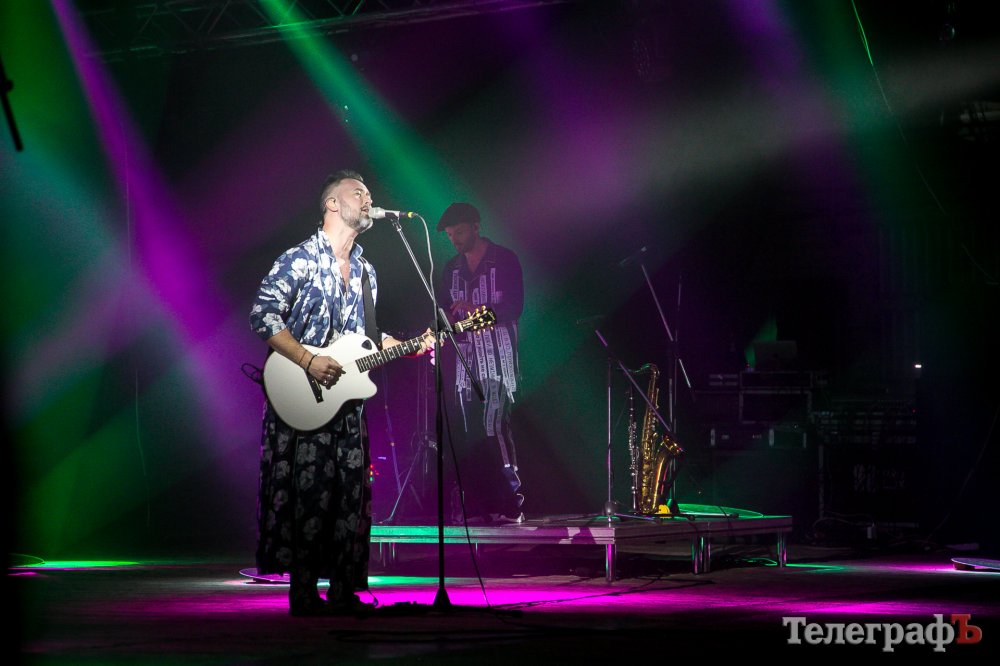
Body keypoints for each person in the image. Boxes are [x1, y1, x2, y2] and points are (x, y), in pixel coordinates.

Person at [249, 170, 433, 616]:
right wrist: (308, 360)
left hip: (346, 404)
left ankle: (344, 589)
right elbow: (263, 315)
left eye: (369, 192)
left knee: (351, 495)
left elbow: (365, 337)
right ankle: (303, 591)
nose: (368, 198)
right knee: (308, 493)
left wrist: (404, 345)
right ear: (332, 203)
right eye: (358, 192)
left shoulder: (368, 271)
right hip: (300, 395)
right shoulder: (299, 260)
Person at [436, 202, 524, 524]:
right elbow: (444, 311)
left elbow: (514, 306)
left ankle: (510, 501)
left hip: (499, 359)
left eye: (459, 232)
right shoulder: (450, 268)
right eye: (450, 235)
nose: (455, 239)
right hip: (464, 362)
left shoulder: (505, 259)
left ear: (475, 226)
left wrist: (477, 310)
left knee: (493, 425)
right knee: (467, 433)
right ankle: (477, 504)